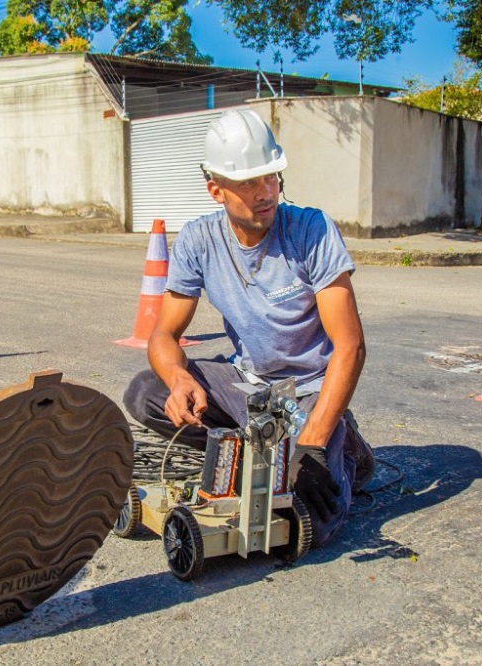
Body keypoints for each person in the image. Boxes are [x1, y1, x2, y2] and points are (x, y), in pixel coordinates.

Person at [123, 108, 374, 547]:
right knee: (146, 392)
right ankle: (260, 452)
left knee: (305, 518)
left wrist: (313, 444)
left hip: (308, 392)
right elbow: (164, 335)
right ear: (216, 190)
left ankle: (343, 448)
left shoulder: (311, 231)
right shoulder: (199, 240)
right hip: (249, 385)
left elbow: (350, 346)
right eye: (249, 183)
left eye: (271, 177)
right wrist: (179, 379)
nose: (266, 192)